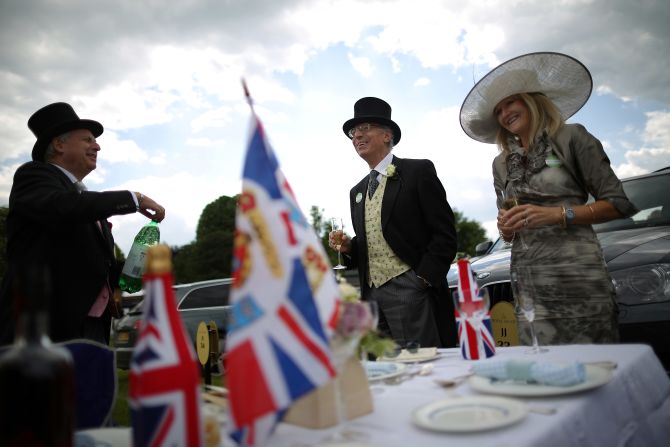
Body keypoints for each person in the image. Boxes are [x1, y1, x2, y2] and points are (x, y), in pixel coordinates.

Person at [459, 52, 637, 345]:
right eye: (499, 110)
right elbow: (508, 234)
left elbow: (618, 203)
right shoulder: (501, 164)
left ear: (531, 99)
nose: (505, 113)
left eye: (511, 102)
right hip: (529, 285)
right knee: (543, 368)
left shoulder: (572, 138)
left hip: (578, 277)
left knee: (596, 367)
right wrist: (505, 227)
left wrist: (558, 214)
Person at [0, 102, 166, 346]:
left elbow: (95, 265)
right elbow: (62, 207)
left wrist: (136, 268)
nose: (97, 146)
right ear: (59, 144)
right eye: (88, 140)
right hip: (43, 333)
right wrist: (134, 198)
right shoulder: (33, 176)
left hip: (90, 330)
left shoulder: (84, 201)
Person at [330, 97, 458, 349]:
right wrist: (348, 249)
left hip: (411, 288)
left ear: (387, 135)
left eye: (364, 128)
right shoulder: (356, 191)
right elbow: (371, 243)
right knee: (390, 372)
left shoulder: (417, 171)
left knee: (423, 367)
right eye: (353, 133)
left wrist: (422, 279)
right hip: (372, 297)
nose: (357, 136)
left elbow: (444, 234)